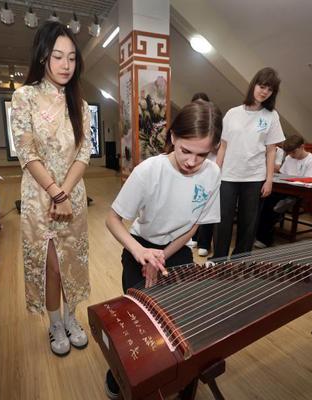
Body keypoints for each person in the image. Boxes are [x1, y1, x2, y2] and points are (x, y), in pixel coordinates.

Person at [104, 100, 223, 399]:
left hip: (175, 249)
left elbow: (192, 227)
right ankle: (120, 372)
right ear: (173, 136)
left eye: (202, 154)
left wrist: (161, 258)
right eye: (186, 150)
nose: (192, 162)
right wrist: (141, 253)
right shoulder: (149, 171)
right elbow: (112, 219)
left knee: (178, 316)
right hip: (140, 246)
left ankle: (173, 374)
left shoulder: (212, 173)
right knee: (138, 322)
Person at [10, 21, 92, 357]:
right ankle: (56, 323)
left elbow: (84, 153)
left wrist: (67, 193)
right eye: (58, 56)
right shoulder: (24, 96)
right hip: (40, 197)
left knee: (73, 260)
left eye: (71, 58)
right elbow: (26, 152)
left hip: (72, 196)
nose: (65, 65)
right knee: (51, 265)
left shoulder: (80, 104)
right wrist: (56, 193)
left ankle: (72, 317)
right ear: (43, 56)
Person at [213, 67, 285, 258]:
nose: (264, 92)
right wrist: (215, 172)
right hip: (228, 175)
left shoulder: (271, 116)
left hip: (254, 177)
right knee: (222, 219)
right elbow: (223, 146)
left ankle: (241, 260)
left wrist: (269, 180)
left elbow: (271, 150)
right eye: (262, 86)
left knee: (248, 222)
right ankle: (219, 259)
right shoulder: (232, 113)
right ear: (253, 85)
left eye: (269, 89)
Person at [255, 134, 312, 247]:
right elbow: (282, 174)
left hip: (298, 193)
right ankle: (258, 234)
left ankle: (265, 239)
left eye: (293, 152)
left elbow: (309, 182)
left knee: (270, 206)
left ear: (302, 147)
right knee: (262, 199)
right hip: (284, 190)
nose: (291, 155)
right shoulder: (289, 158)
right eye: (289, 153)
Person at [189, 92, 220, 257]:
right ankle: (193, 236)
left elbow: (219, 146)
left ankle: (205, 243)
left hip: (211, 167)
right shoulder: (190, 122)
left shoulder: (214, 123)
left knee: (207, 205)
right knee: (194, 204)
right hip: (193, 168)